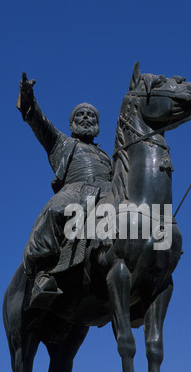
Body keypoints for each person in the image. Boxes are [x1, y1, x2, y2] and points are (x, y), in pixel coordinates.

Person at [17, 73, 113, 308]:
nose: (86, 117)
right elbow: (37, 120)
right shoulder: (61, 142)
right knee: (54, 208)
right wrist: (27, 95)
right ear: (71, 124)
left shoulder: (107, 156)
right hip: (76, 188)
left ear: (98, 125)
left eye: (91, 115)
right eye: (80, 114)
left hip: (109, 191)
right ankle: (42, 273)